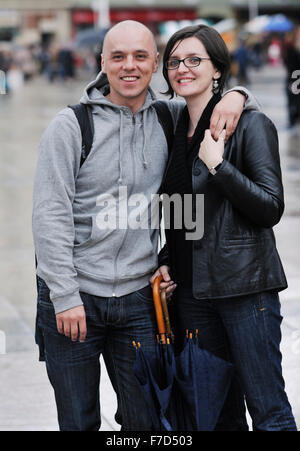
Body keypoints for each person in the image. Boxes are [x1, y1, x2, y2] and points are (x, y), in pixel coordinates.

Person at [33, 20, 255, 431]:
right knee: (78, 421)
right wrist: (63, 295)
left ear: (155, 63)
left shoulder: (168, 119)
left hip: (138, 299)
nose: (129, 66)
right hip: (74, 298)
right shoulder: (71, 126)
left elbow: (210, 100)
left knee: (149, 421)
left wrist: (238, 95)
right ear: (102, 63)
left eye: (140, 56)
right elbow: (49, 215)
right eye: (118, 57)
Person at [151, 24, 297, 431]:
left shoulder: (251, 125)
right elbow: (183, 210)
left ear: (217, 68)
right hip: (193, 295)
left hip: (245, 290)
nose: (182, 68)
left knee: (268, 410)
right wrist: (166, 257)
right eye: (175, 61)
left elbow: (270, 208)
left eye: (194, 60)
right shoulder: (176, 128)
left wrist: (219, 165)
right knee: (216, 416)